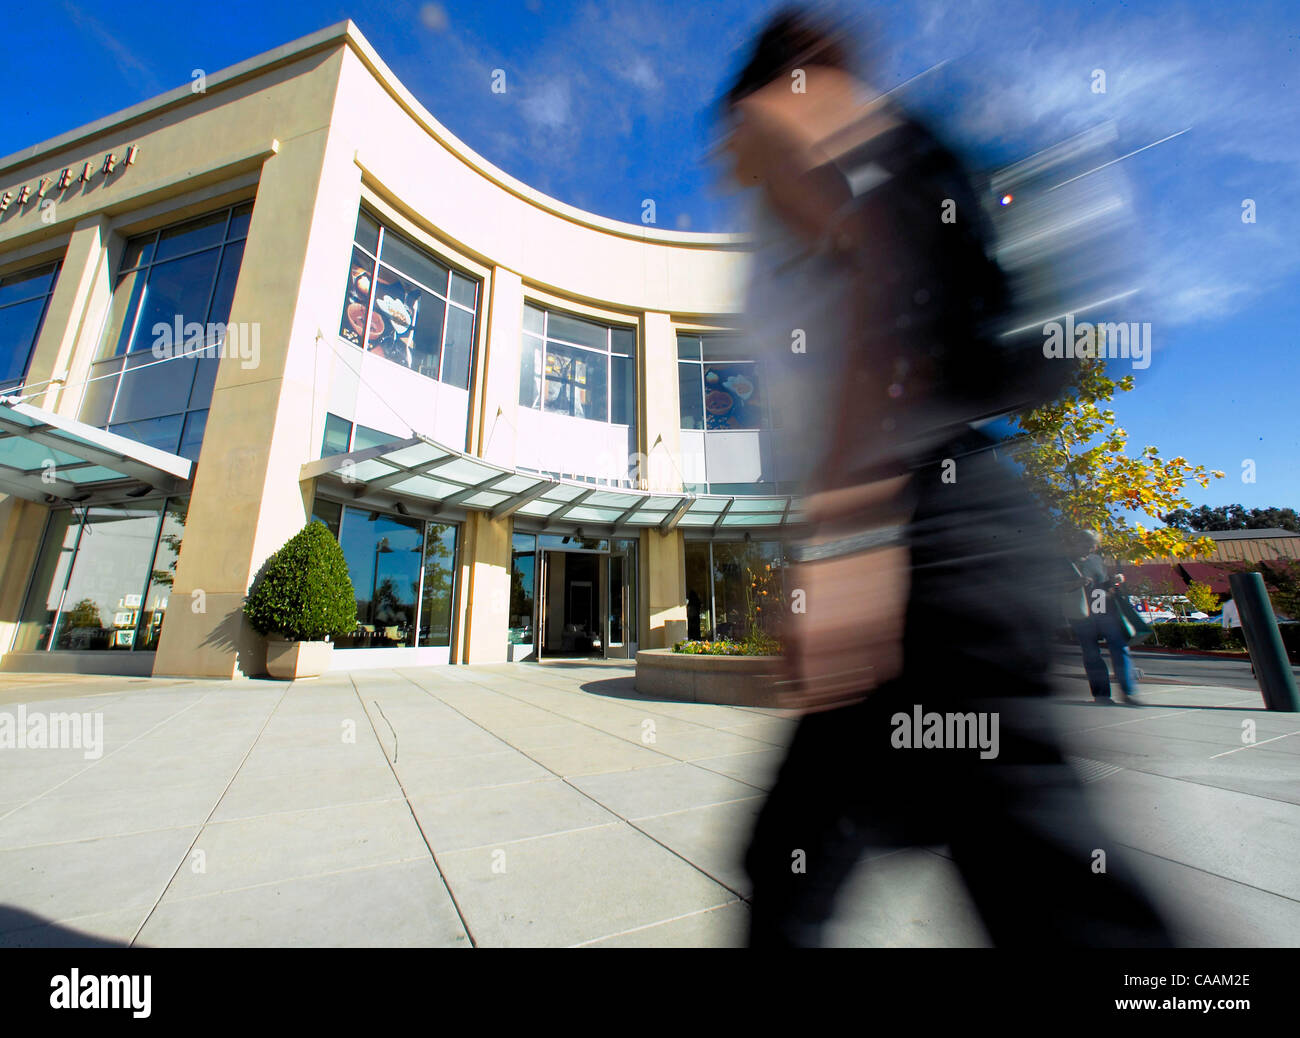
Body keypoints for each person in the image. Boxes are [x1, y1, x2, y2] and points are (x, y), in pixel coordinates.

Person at [722, 6, 1171, 948]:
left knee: (1041, 881)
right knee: (822, 859)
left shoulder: (782, 112)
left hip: (929, 540)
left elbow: (889, 253)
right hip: (960, 533)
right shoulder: (839, 137)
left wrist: (844, 537)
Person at [1068, 530, 1139, 704]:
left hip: (1103, 607)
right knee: (1092, 653)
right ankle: (1101, 695)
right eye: (1086, 543)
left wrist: (1115, 580)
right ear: (1076, 542)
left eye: (1093, 545)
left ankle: (1127, 692)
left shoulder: (1096, 560)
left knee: (1120, 647)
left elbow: (1103, 583)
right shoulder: (1066, 563)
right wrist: (1074, 584)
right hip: (1081, 612)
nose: (1090, 548)